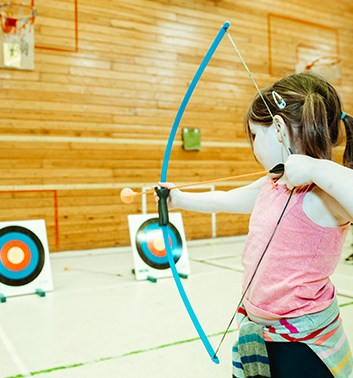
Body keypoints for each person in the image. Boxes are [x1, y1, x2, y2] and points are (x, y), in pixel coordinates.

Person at [155, 72, 353, 377]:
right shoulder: (273, 183)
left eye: (254, 135)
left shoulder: (323, 195)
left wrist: (315, 167)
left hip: (302, 342)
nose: (253, 146)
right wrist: (181, 200)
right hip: (258, 331)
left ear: (278, 129)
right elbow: (228, 199)